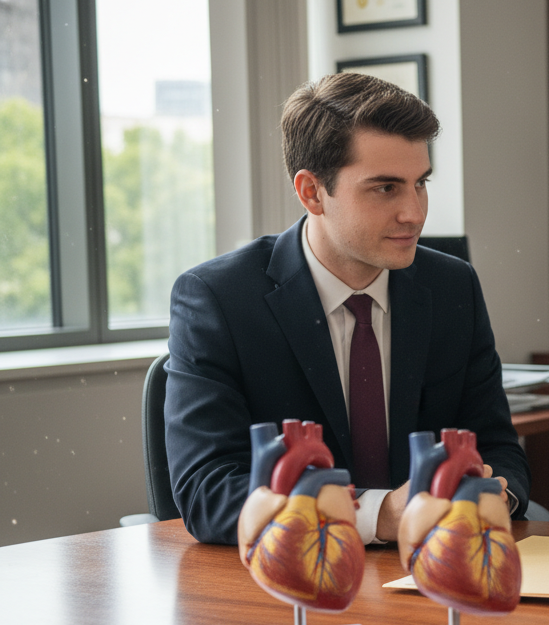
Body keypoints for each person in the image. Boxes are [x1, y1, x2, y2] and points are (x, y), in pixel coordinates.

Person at [166, 73, 529, 545]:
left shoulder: (451, 286)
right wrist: (378, 515)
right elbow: (208, 490)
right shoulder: (219, 299)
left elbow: (497, 446)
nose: (415, 213)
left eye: (420, 184)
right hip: (293, 584)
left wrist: (496, 492)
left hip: (435, 571)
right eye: (385, 188)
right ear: (312, 192)